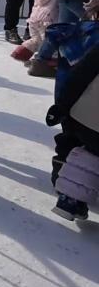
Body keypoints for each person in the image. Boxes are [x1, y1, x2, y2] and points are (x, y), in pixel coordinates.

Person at [46, 43, 99, 221]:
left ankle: (70, 199)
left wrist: (62, 105)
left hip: (85, 118)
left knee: (89, 150)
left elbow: (80, 75)